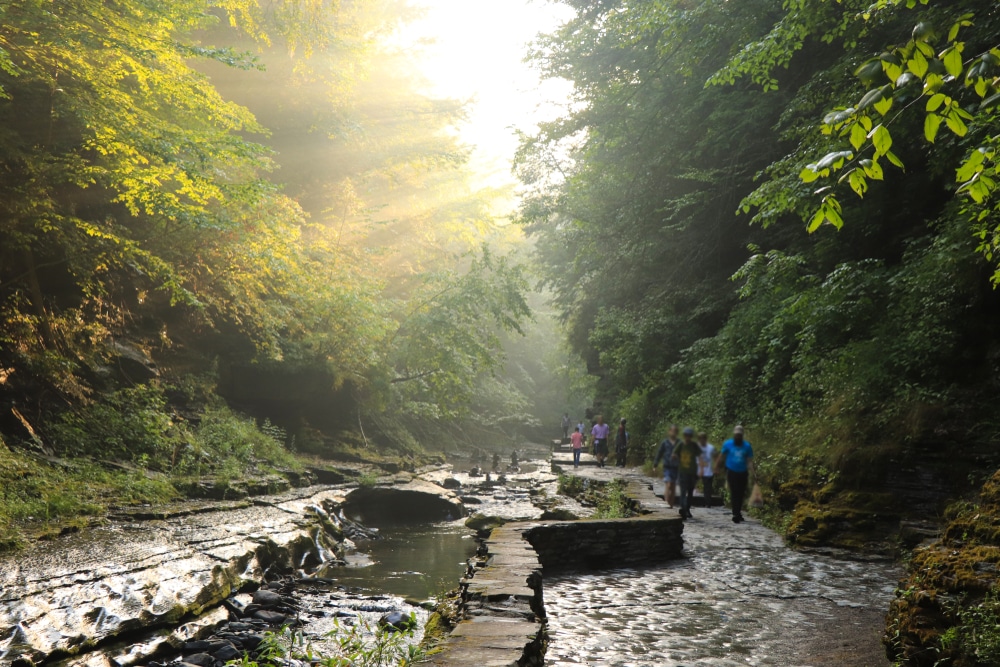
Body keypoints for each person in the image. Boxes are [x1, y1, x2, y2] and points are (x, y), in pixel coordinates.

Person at [716, 425, 755, 523]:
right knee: (734, 492)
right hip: (731, 471)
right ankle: (736, 513)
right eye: (736, 435)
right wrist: (716, 467)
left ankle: (738, 512)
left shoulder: (747, 446)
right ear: (734, 434)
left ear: (742, 435)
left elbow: (749, 460)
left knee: (741, 493)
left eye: (740, 435)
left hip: (743, 472)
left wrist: (754, 472)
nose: (738, 437)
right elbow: (721, 456)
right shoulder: (728, 444)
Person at [672, 427, 701, 519]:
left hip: (692, 472)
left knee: (690, 492)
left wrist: (701, 469)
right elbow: (674, 454)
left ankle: (687, 509)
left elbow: (700, 456)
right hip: (683, 472)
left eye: (689, 436)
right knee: (683, 491)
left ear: (691, 436)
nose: (687, 437)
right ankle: (683, 508)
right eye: (686, 435)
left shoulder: (694, 445)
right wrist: (678, 458)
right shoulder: (681, 445)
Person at [652, 424, 680, 508]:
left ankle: (671, 505)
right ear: (669, 431)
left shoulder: (679, 443)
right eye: (672, 431)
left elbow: (683, 454)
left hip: (676, 467)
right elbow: (660, 453)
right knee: (668, 484)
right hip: (667, 466)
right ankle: (666, 503)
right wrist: (655, 464)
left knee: (673, 486)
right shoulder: (665, 442)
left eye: (675, 431)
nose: (673, 433)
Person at [697, 431, 716, 504]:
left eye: (703, 438)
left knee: (707, 487)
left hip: (708, 470)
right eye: (700, 438)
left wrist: (715, 467)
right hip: (698, 469)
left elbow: (715, 457)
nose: (702, 440)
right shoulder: (696, 447)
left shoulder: (710, 448)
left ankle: (707, 502)